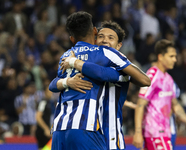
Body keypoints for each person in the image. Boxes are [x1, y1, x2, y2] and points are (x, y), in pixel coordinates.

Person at [49, 19, 150, 150]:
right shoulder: (93, 59)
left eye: (110, 38)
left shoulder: (119, 66)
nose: (104, 40)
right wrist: (67, 81)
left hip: (110, 134)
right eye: (101, 36)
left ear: (119, 46)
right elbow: (53, 83)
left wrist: (75, 62)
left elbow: (143, 80)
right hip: (89, 128)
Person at [133, 39, 186, 150]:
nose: (175, 60)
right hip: (154, 132)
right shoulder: (152, 76)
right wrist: (137, 132)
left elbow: (175, 105)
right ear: (160, 57)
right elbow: (140, 105)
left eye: (175, 56)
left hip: (165, 132)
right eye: (171, 56)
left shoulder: (169, 79)